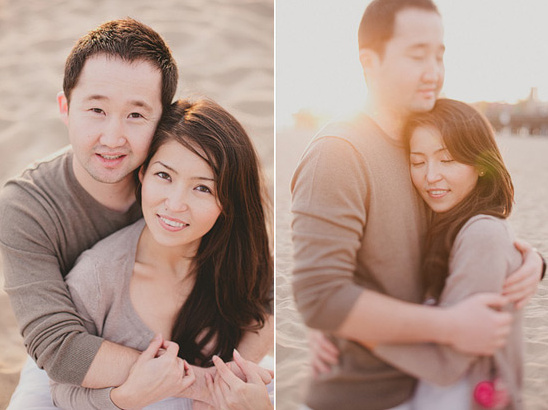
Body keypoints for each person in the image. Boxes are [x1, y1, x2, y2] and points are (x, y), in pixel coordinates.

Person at [0, 18, 272, 409]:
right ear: (66, 107)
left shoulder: (182, 178)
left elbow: (266, 286)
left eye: (136, 115)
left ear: (162, 122)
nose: (112, 138)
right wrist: (200, 383)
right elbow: (58, 348)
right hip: (70, 356)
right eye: (96, 109)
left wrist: (232, 371)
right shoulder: (26, 206)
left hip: (183, 342)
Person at [290, 1, 544, 409]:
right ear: (369, 62)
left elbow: (451, 229)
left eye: (440, 55)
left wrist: (528, 257)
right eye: (417, 54)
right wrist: (451, 326)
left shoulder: (417, 143)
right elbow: (319, 296)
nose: (435, 72)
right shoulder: (338, 153)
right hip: (362, 397)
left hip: (425, 391)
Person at [48, 97, 274, 409]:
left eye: (202, 188)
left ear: (228, 203)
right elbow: (61, 392)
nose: (175, 203)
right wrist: (124, 397)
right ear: (142, 175)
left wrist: (225, 385)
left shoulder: (235, 256)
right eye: (164, 176)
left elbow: (271, 300)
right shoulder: (96, 281)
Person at [369, 98, 524, 410]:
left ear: (481, 164)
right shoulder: (441, 225)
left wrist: (356, 330)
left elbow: (446, 363)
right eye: (417, 161)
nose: (431, 176)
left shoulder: (482, 235)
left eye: (448, 160)